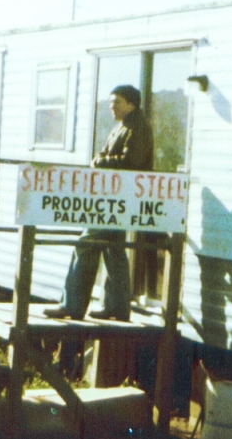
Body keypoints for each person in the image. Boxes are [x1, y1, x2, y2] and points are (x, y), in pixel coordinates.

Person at [44, 84, 153, 321]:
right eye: (110, 102)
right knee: (113, 250)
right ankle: (117, 307)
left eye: (117, 102)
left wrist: (100, 161)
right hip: (113, 199)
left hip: (120, 201)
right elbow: (108, 156)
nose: (111, 107)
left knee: (86, 243)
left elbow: (130, 162)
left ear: (131, 104)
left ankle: (72, 305)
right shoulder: (122, 127)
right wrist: (102, 159)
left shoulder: (138, 127)